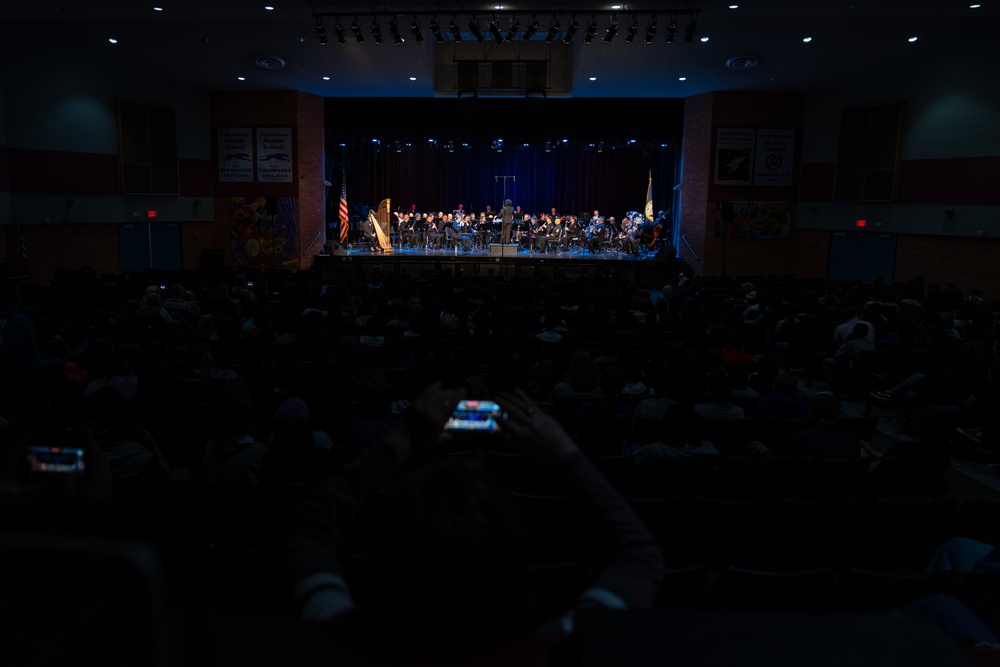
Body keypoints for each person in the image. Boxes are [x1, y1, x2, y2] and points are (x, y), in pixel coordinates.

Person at [284, 383, 664, 659]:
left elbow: (309, 527)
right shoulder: (560, 645)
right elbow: (639, 554)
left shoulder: (338, 634)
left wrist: (397, 444)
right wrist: (563, 452)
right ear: (516, 567)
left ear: (384, 560)